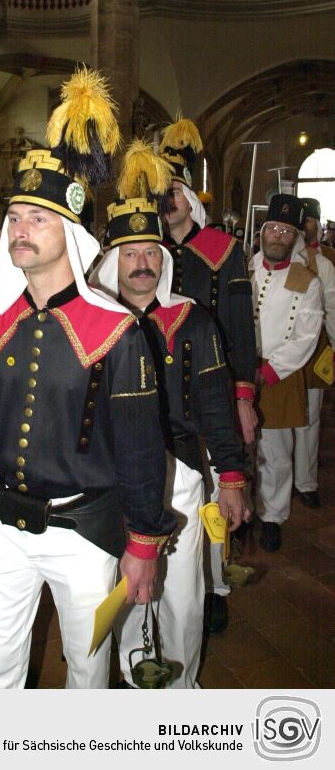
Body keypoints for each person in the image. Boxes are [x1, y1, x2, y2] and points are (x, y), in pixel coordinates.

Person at [0, 67, 176, 689]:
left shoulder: (118, 331)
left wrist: (143, 543)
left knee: (86, 669)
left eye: (36, 219)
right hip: (3, 523)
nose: (19, 229)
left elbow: (140, 448)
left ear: (71, 234)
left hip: (84, 532)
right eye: (14, 218)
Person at [90, 144, 249, 688]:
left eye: (152, 253)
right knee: (125, 588)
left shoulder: (194, 321)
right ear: (112, 261)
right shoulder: (92, 326)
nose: (143, 264)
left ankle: (180, 692)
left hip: (180, 474)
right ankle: (136, 682)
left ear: (165, 260)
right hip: (108, 478)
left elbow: (216, 407)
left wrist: (231, 476)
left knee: (181, 593)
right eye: (130, 253)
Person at [159, 119, 256, 634]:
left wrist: (243, 396)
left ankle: (216, 585)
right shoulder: (146, 251)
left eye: (173, 190)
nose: (166, 200)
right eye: (160, 192)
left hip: (213, 390)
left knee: (220, 492)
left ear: (190, 198)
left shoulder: (223, 249)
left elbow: (239, 326)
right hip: (166, 395)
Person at [250, 194, 323, 552]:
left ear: (295, 238)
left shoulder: (307, 281)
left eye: (285, 231)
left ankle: (272, 516)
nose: (278, 236)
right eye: (273, 229)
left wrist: (270, 370)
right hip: (242, 370)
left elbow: (306, 337)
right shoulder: (245, 270)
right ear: (263, 232)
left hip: (279, 374)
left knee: (275, 451)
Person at [292, 198, 335, 509]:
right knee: (277, 425)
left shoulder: (326, 263)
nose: (304, 225)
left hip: (315, 350)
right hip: (281, 350)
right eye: (301, 219)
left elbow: (332, 310)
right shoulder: (277, 257)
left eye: (309, 220)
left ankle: (305, 481)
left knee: (309, 418)